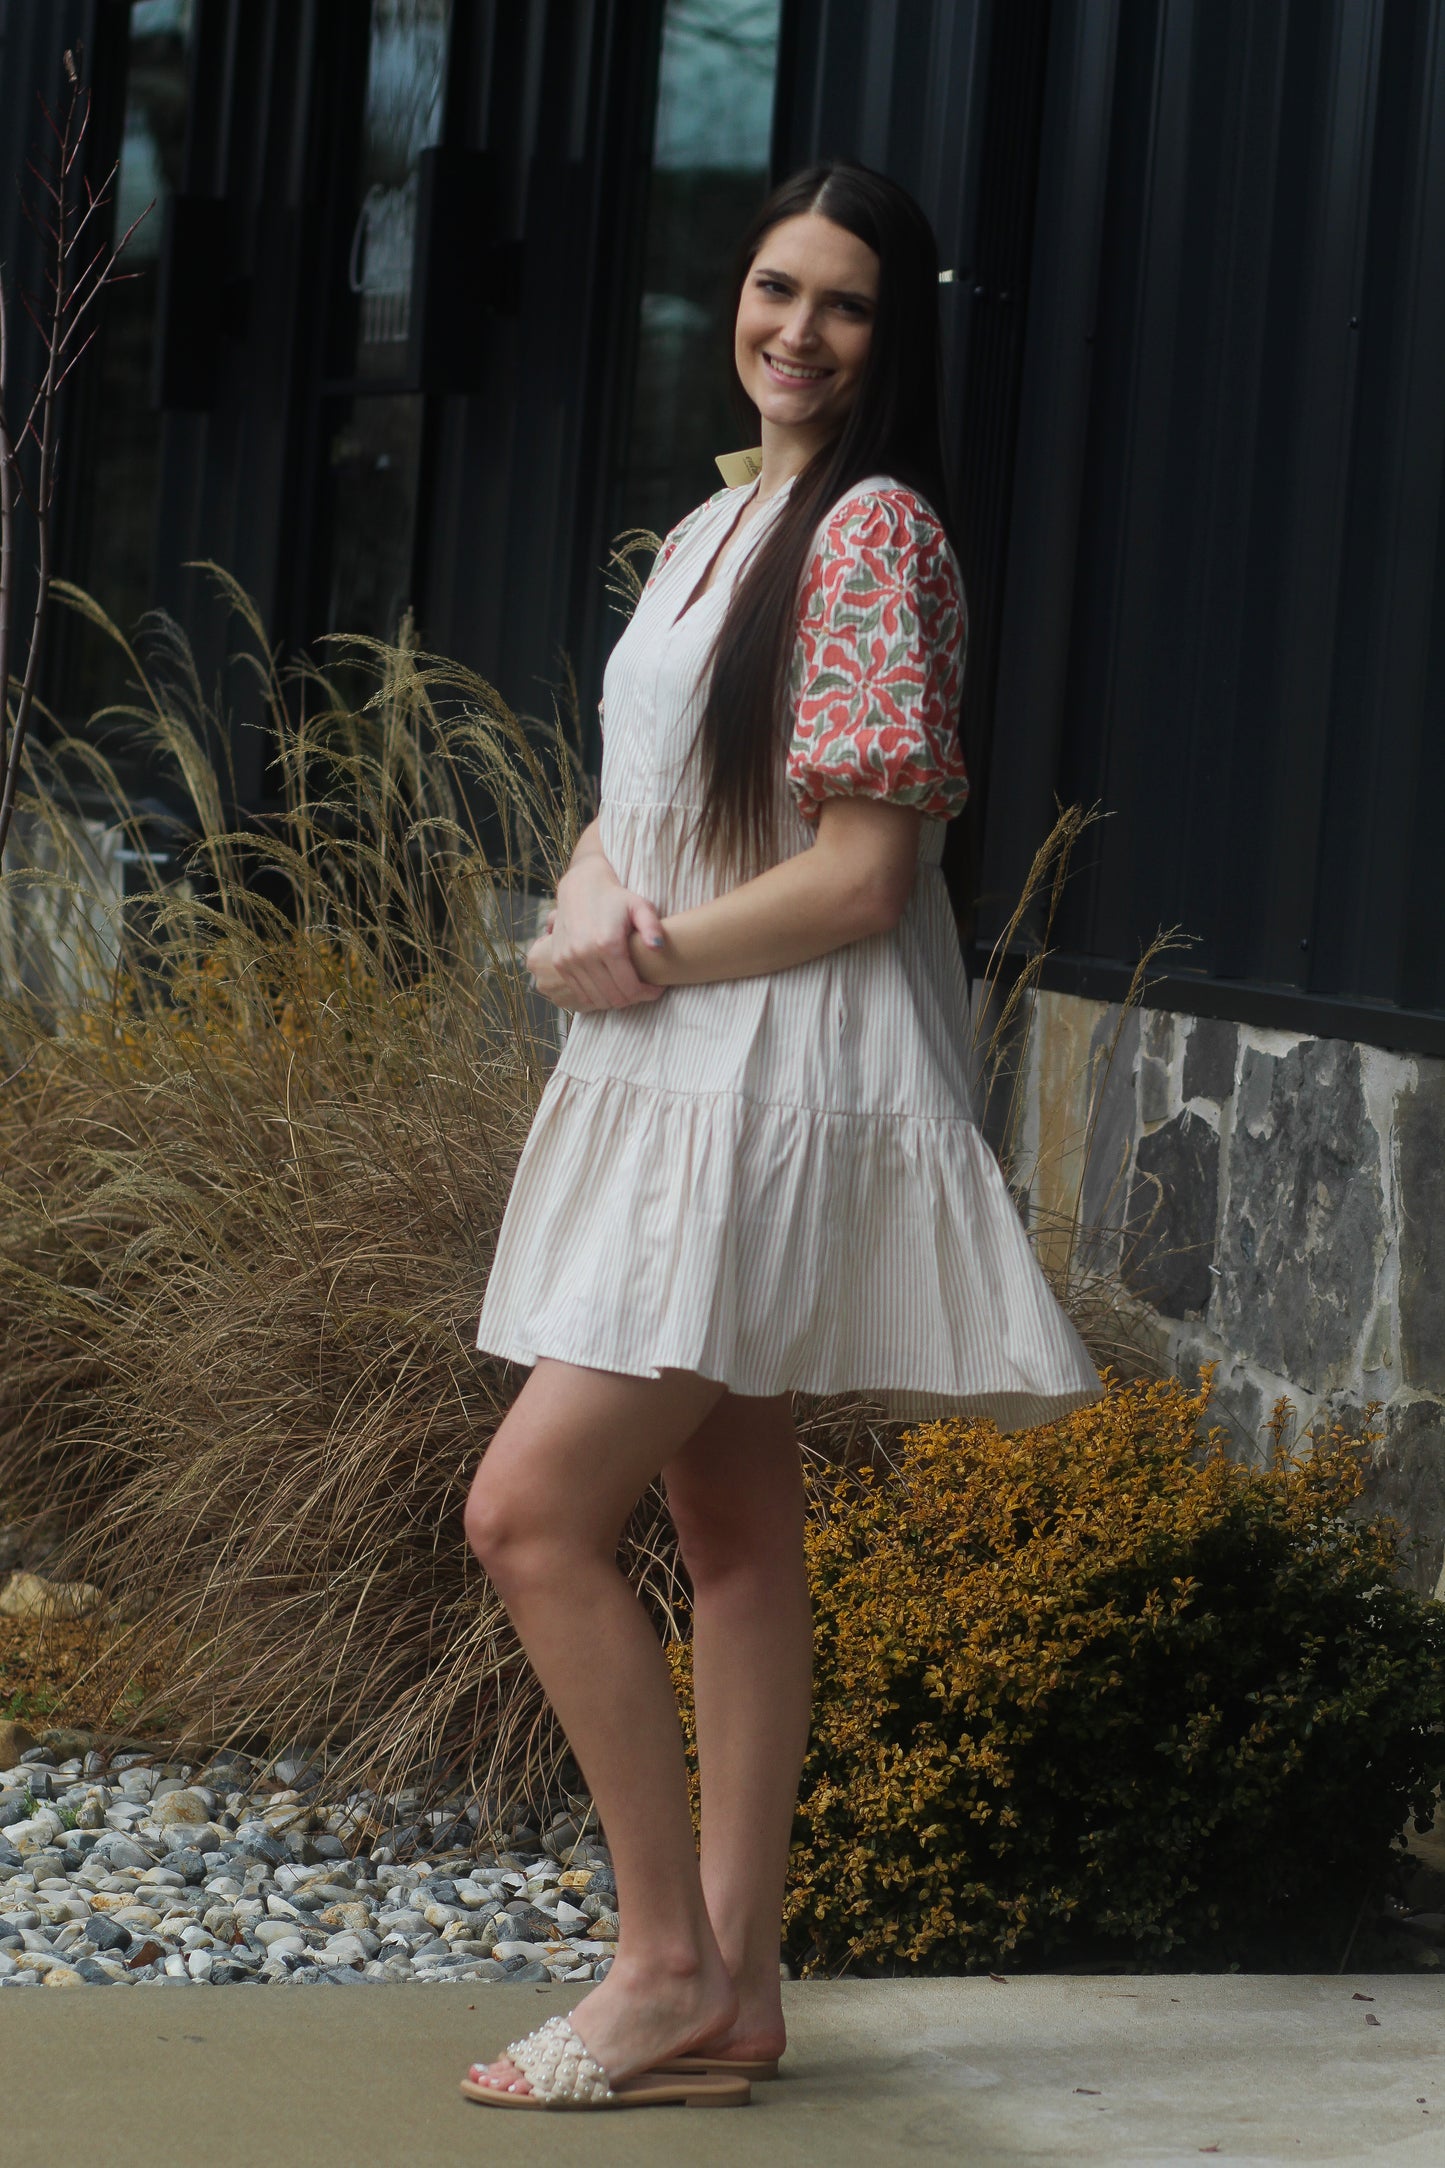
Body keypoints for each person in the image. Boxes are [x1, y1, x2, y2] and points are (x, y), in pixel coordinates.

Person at [460, 160, 1100, 2113]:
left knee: (528, 1513)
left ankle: (657, 1958)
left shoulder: (873, 533)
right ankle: (738, 1983)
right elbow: (638, 798)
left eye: (842, 304)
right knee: (730, 1534)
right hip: (675, 1061)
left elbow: (860, 878)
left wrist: (642, 962)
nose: (795, 332)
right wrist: (588, 896)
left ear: (892, 339)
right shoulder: (714, 524)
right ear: (731, 297)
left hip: (757, 1078)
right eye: (772, 287)